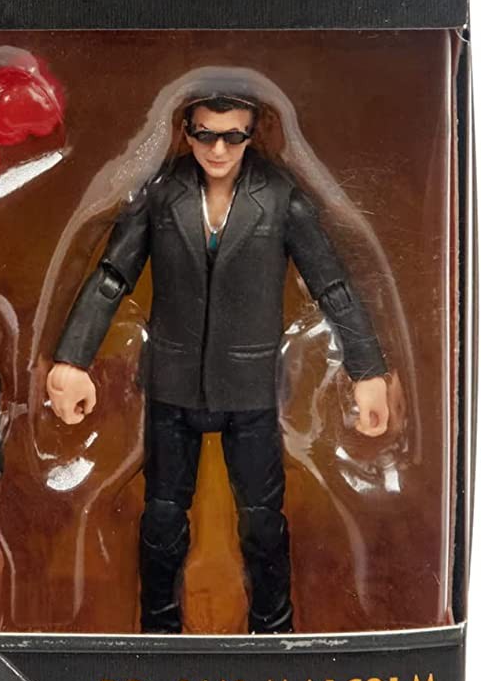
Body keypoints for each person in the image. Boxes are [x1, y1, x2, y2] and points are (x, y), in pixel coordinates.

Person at [46, 93, 390, 634]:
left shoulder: (279, 198)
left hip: (251, 389)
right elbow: (113, 274)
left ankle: (273, 634)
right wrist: (72, 358)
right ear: (186, 132)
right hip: (172, 383)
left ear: (253, 134)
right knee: (162, 520)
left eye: (233, 136)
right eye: (206, 134)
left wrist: (367, 370)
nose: (219, 149)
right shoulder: (162, 195)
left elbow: (331, 285)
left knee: (263, 524)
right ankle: (158, 634)